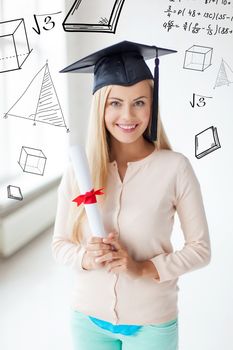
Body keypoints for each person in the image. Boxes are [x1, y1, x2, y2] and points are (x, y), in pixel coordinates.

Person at [52, 41, 211, 350]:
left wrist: (143, 268)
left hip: (152, 322)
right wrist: (87, 256)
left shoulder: (175, 168)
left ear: (152, 105)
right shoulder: (79, 170)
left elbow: (200, 250)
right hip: (88, 320)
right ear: (101, 106)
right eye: (115, 103)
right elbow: (60, 245)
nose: (127, 115)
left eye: (139, 102)